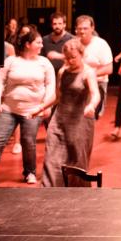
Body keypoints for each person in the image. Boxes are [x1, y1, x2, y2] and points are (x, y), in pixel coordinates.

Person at [0, 26, 56, 186]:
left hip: (33, 110)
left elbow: (50, 85)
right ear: (28, 44)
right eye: (38, 42)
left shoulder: (44, 63)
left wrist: (45, 106)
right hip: (9, 109)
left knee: (28, 142)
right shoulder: (11, 61)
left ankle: (30, 172)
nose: (42, 45)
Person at [39, 39, 99, 187]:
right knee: (51, 158)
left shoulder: (88, 72)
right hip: (59, 120)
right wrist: (40, 108)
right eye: (68, 58)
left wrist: (91, 106)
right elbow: (57, 96)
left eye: (74, 57)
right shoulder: (62, 72)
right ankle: (49, 194)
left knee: (77, 161)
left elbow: (95, 93)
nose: (70, 61)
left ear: (81, 54)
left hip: (80, 122)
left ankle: (77, 197)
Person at [75, 15, 113, 120]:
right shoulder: (73, 44)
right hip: (77, 83)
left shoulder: (101, 44)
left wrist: (89, 75)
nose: (82, 31)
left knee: (90, 117)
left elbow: (109, 68)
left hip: (98, 83)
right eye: (80, 28)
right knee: (76, 116)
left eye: (85, 28)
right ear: (76, 29)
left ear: (92, 28)